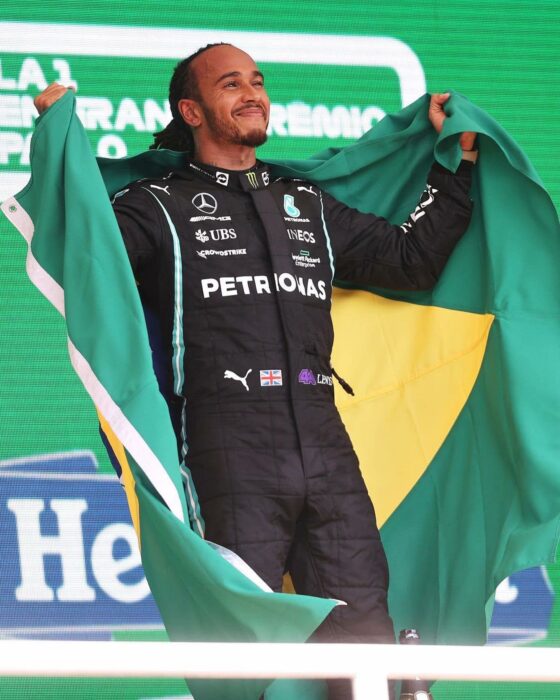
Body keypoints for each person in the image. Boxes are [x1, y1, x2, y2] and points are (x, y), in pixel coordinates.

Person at [34, 42, 476, 700]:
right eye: (231, 84)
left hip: (325, 441)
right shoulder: (155, 205)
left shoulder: (306, 204)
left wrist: (458, 166)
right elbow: (87, 253)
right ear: (191, 110)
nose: (252, 94)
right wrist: (58, 139)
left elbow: (410, 259)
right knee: (244, 659)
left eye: (259, 82)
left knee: (367, 649)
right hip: (228, 445)